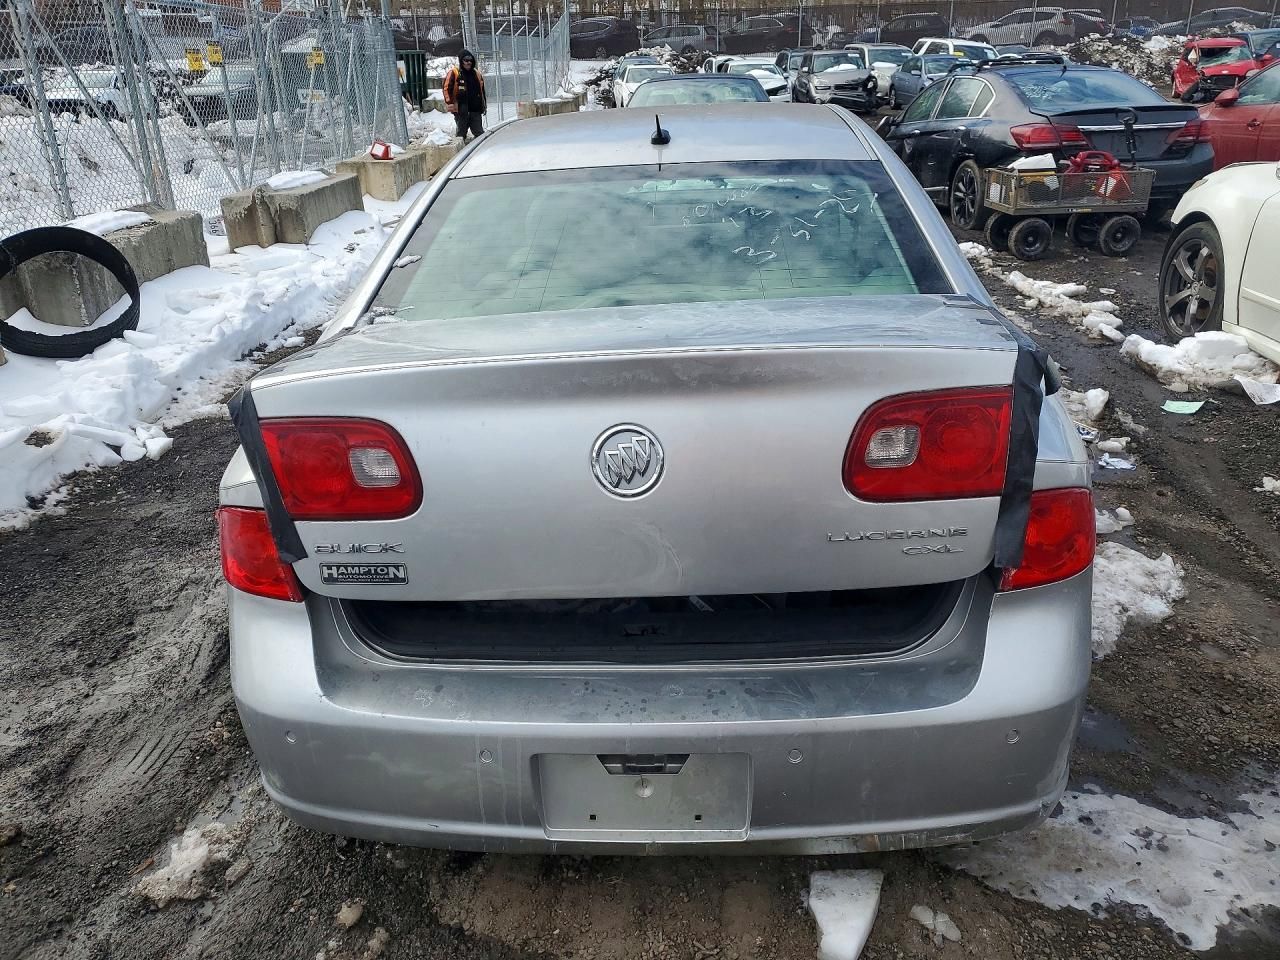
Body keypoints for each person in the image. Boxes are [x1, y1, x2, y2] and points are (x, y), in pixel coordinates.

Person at [443, 49, 486, 140]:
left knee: (480, 134)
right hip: (461, 110)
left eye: (470, 60)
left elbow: (482, 92)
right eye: (466, 60)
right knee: (461, 135)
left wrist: (484, 106)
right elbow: (446, 89)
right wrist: (450, 103)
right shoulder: (454, 73)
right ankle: (462, 152)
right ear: (461, 61)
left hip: (475, 110)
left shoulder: (477, 74)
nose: (468, 62)